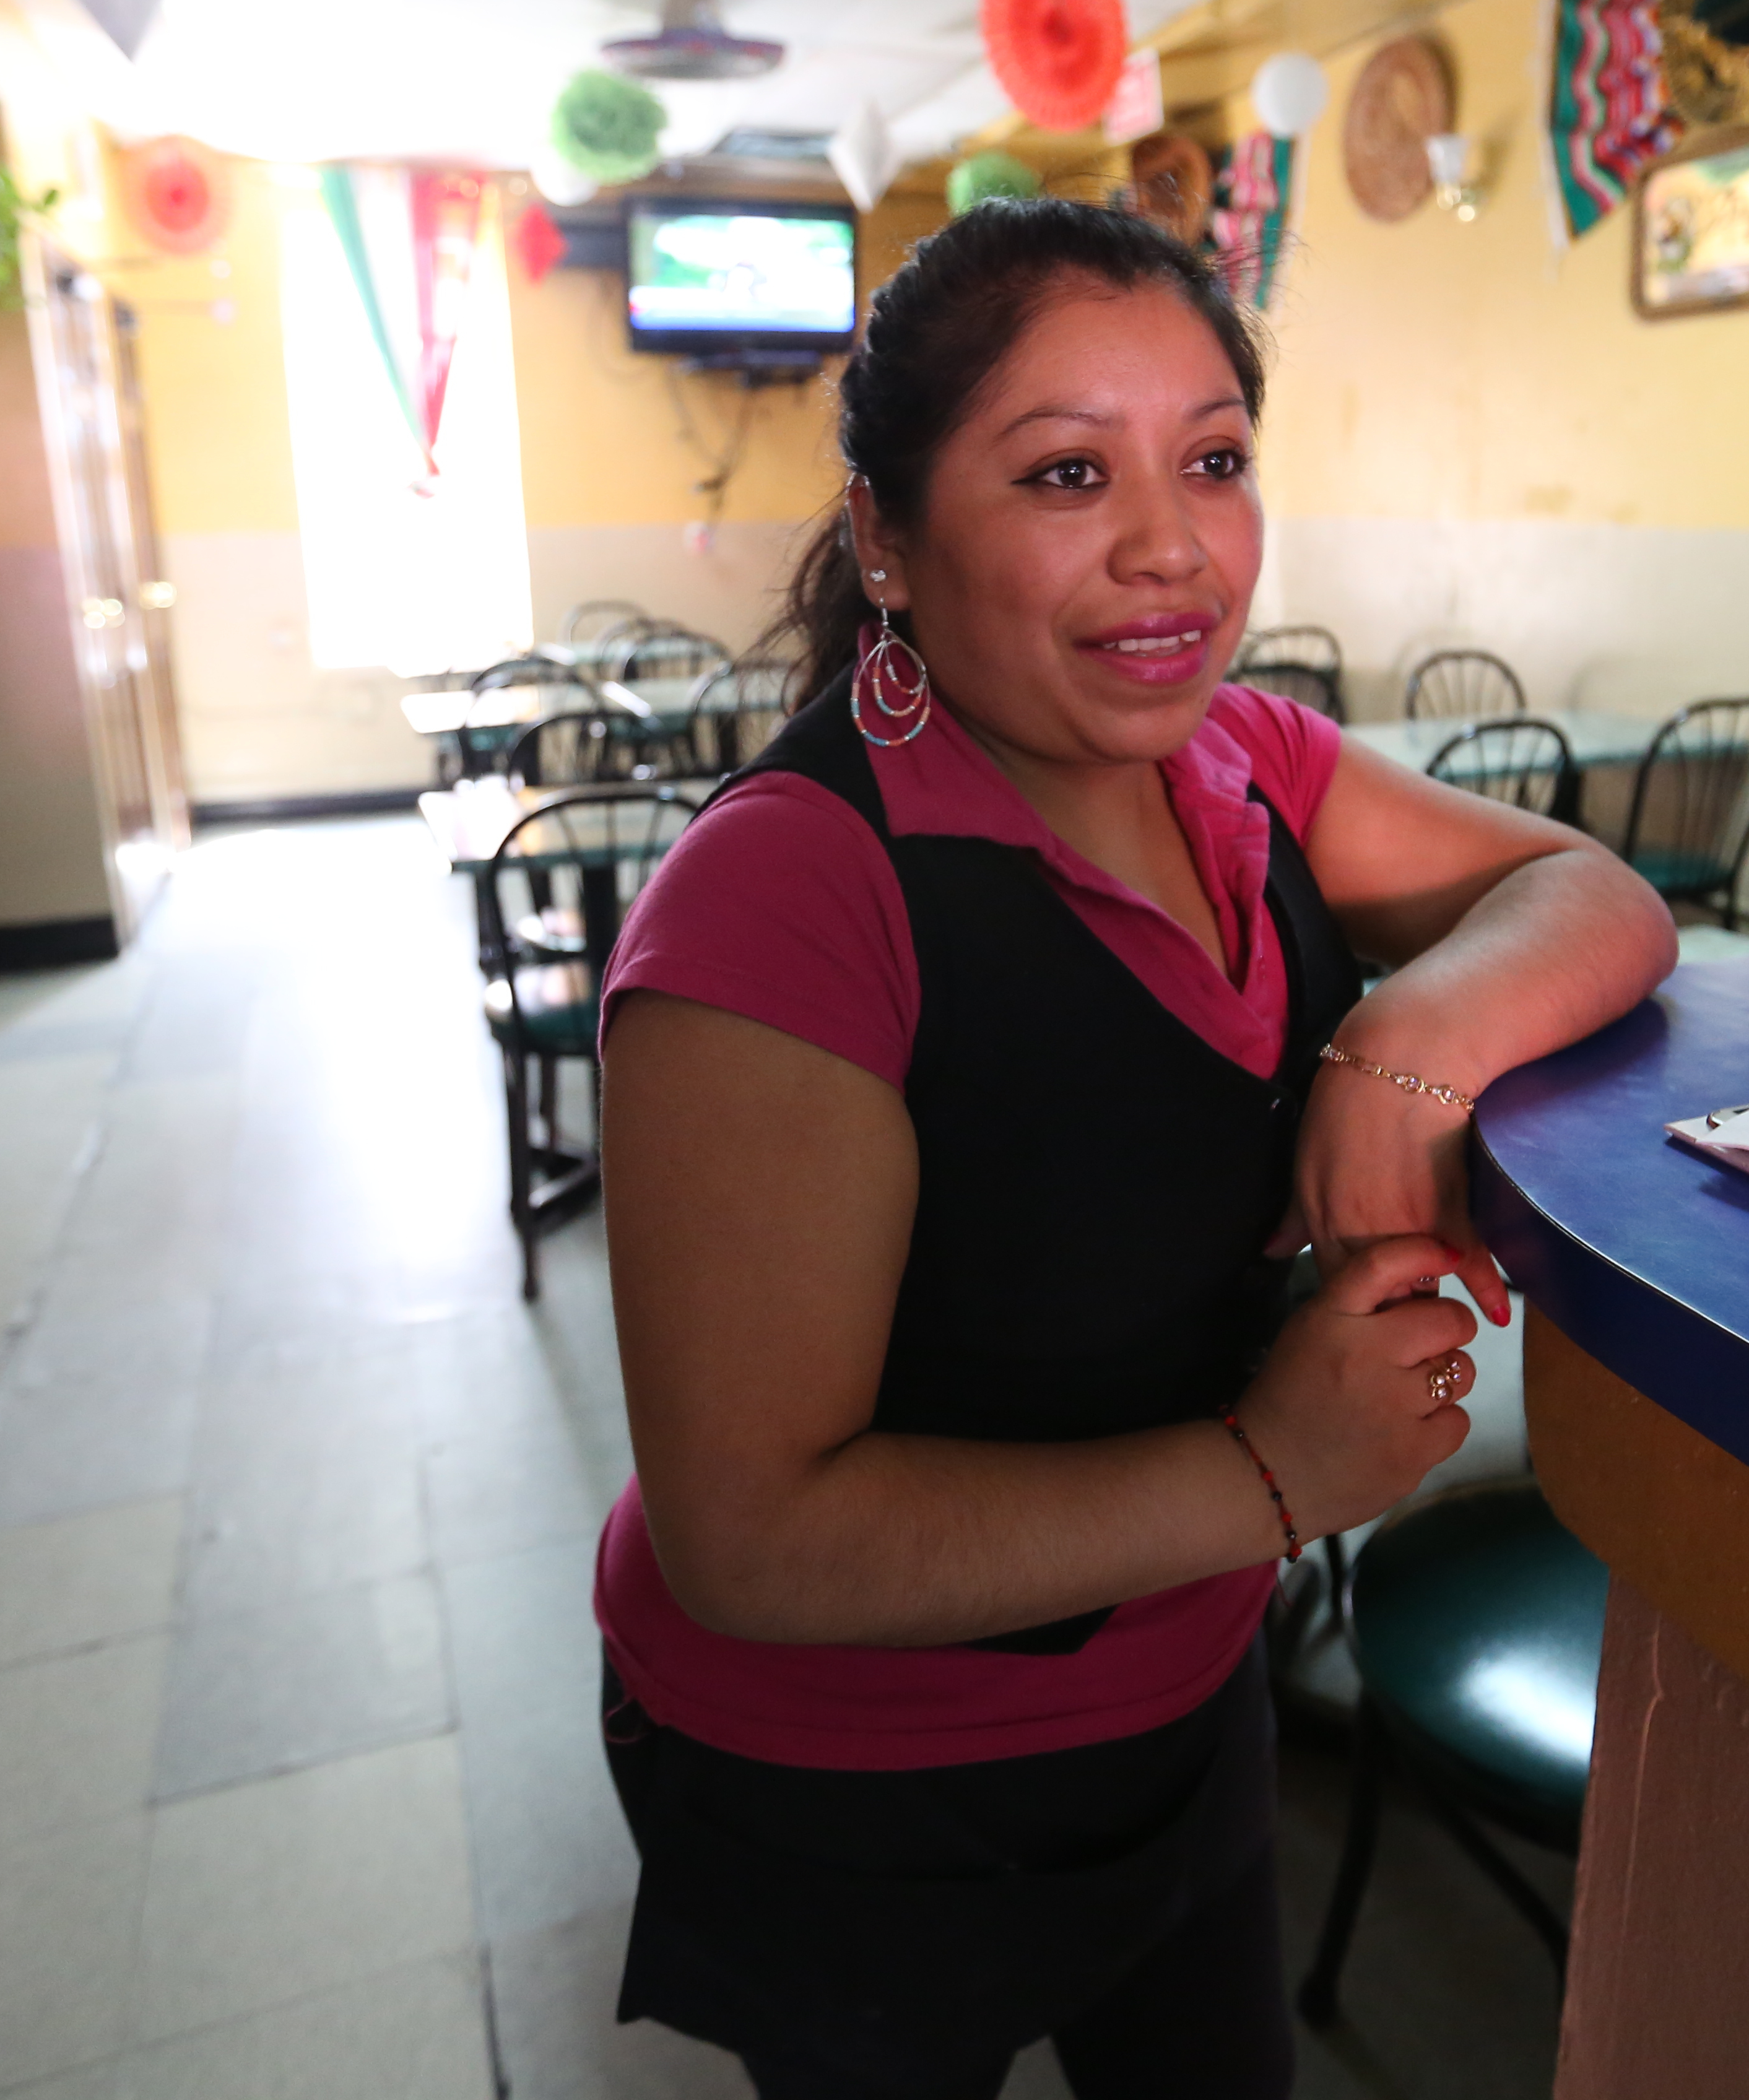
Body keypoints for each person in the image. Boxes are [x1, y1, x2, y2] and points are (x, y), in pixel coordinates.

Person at [593, 196, 1673, 2098]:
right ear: (888, 540)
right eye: (1068, 473)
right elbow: (751, 1537)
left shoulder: (1246, 762)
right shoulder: (791, 897)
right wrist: (1276, 1475)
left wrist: (1407, 1043)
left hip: (1184, 1694)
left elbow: (1584, 889)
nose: (1174, 547)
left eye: (1217, 460)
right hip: (861, 1786)